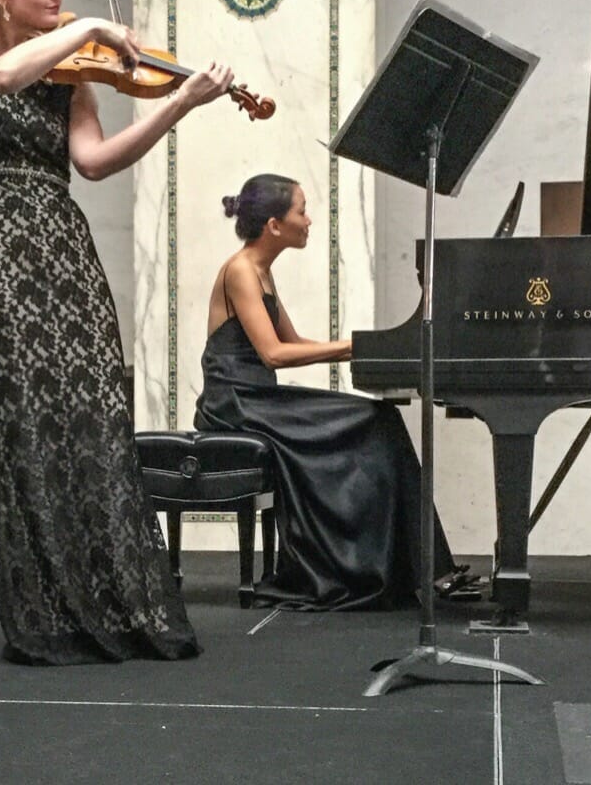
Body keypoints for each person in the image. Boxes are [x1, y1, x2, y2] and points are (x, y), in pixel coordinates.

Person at [0, 0, 234, 664]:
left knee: (95, 426)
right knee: (28, 437)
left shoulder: (70, 73)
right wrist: (96, 25)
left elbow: (95, 163)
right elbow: (4, 79)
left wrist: (180, 104)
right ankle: (45, 614)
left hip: (66, 258)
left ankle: (119, 606)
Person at [194, 173, 457, 610]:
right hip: (237, 404)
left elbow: (294, 342)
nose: (309, 219)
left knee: (380, 418)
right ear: (274, 225)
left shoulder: (260, 270)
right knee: (377, 420)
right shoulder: (240, 270)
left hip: (258, 399)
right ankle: (375, 568)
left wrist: (369, 347)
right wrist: (359, 346)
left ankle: (411, 567)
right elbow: (276, 355)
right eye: (301, 210)